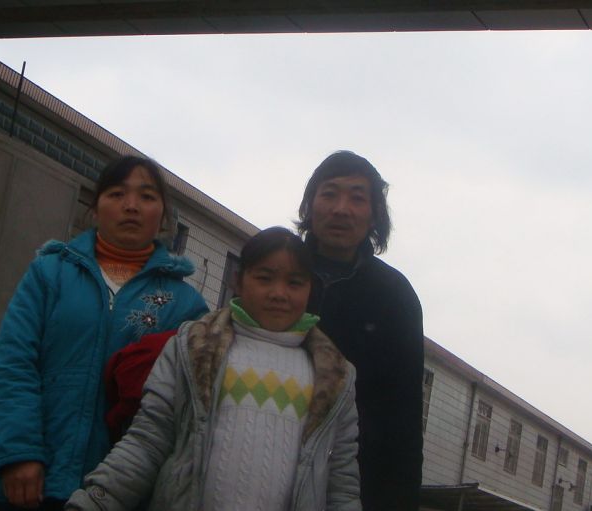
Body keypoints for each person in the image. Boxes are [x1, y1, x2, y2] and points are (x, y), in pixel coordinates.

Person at [0, 156, 209, 510]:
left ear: (163, 216)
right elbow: (13, 362)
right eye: (116, 194)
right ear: (95, 208)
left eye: (146, 196)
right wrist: (19, 453)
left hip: (120, 494)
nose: (131, 206)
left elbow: (184, 409)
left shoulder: (187, 306)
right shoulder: (49, 273)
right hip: (29, 484)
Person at [66, 227, 361, 511]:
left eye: (294, 283)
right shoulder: (191, 349)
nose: (279, 293)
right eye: (264, 278)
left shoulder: (335, 378)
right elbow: (147, 442)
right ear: (238, 280)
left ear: (310, 290)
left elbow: (341, 485)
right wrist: (95, 501)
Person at [297, 150, 424, 511]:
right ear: (310, 205)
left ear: (374, 215)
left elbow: (404, 419)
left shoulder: (395, 296)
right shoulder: (278, 272)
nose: (341, 209)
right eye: (329, 194)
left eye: (357, 198)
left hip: (356, 481)